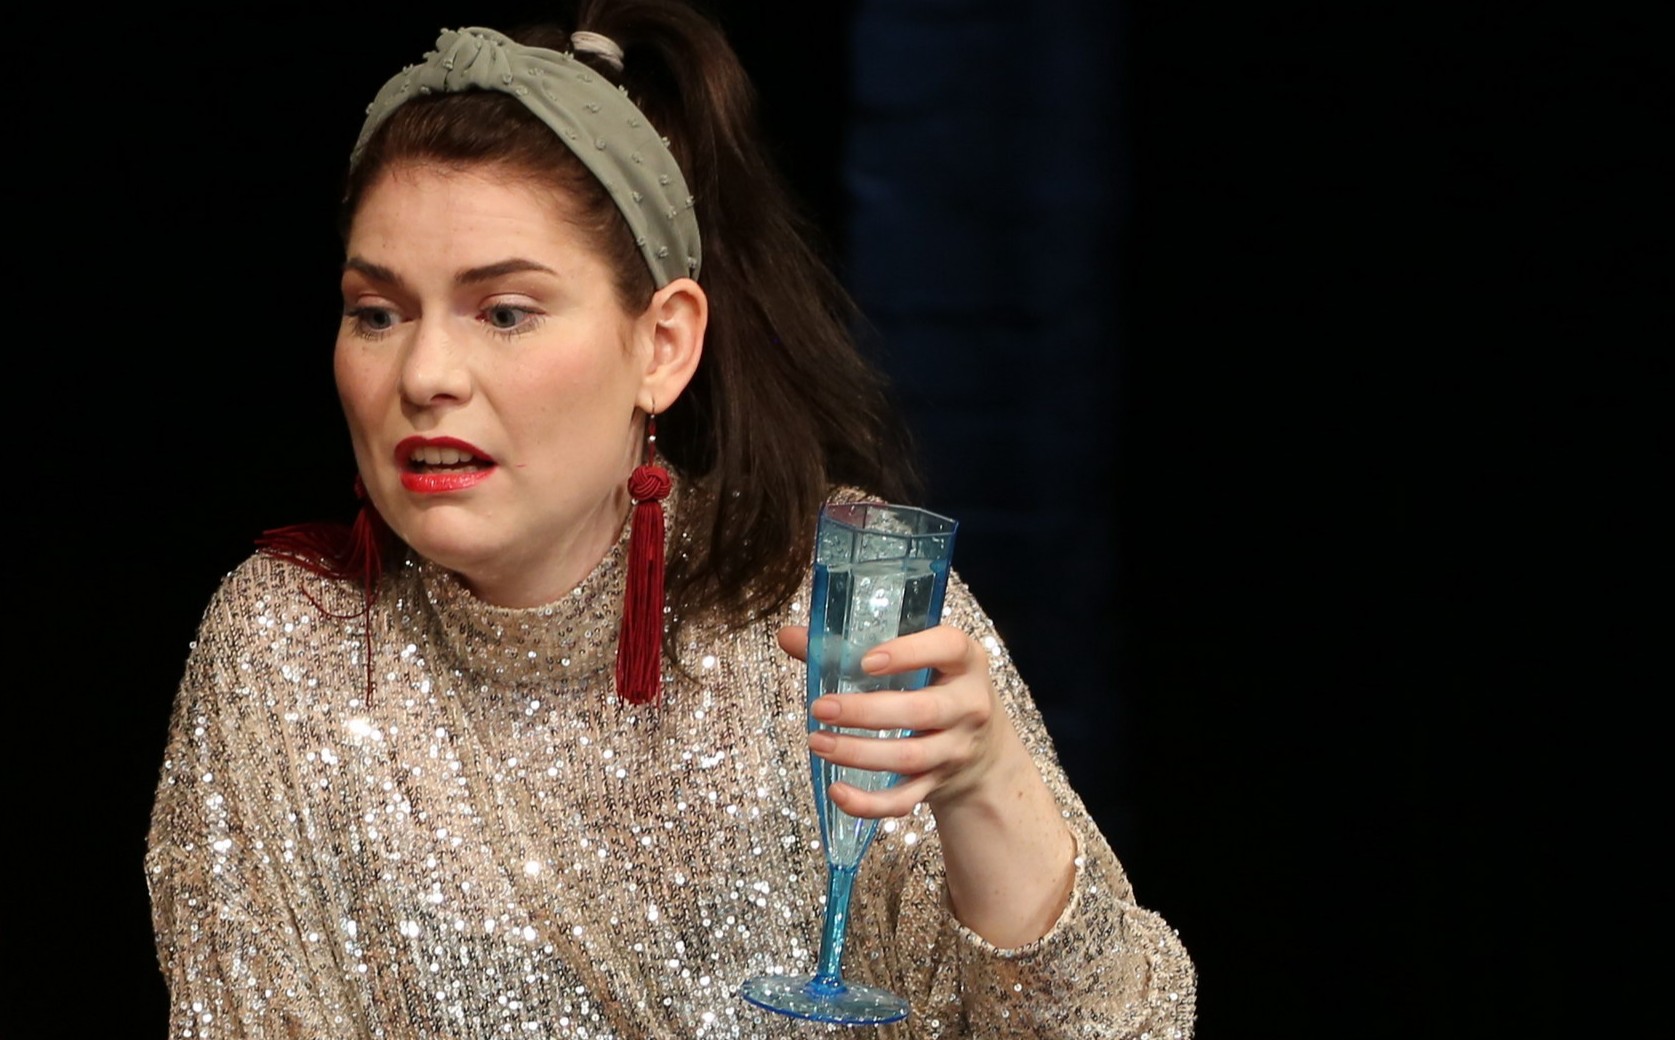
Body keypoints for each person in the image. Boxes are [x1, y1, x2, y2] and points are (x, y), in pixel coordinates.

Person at [143, 1, 1197, 1035]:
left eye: (504, 311)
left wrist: (985, 783)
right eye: (377, 312)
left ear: (662, 345)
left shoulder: (828, 591)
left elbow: (1128, 1024)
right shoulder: (290, 642)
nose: (424, 374)